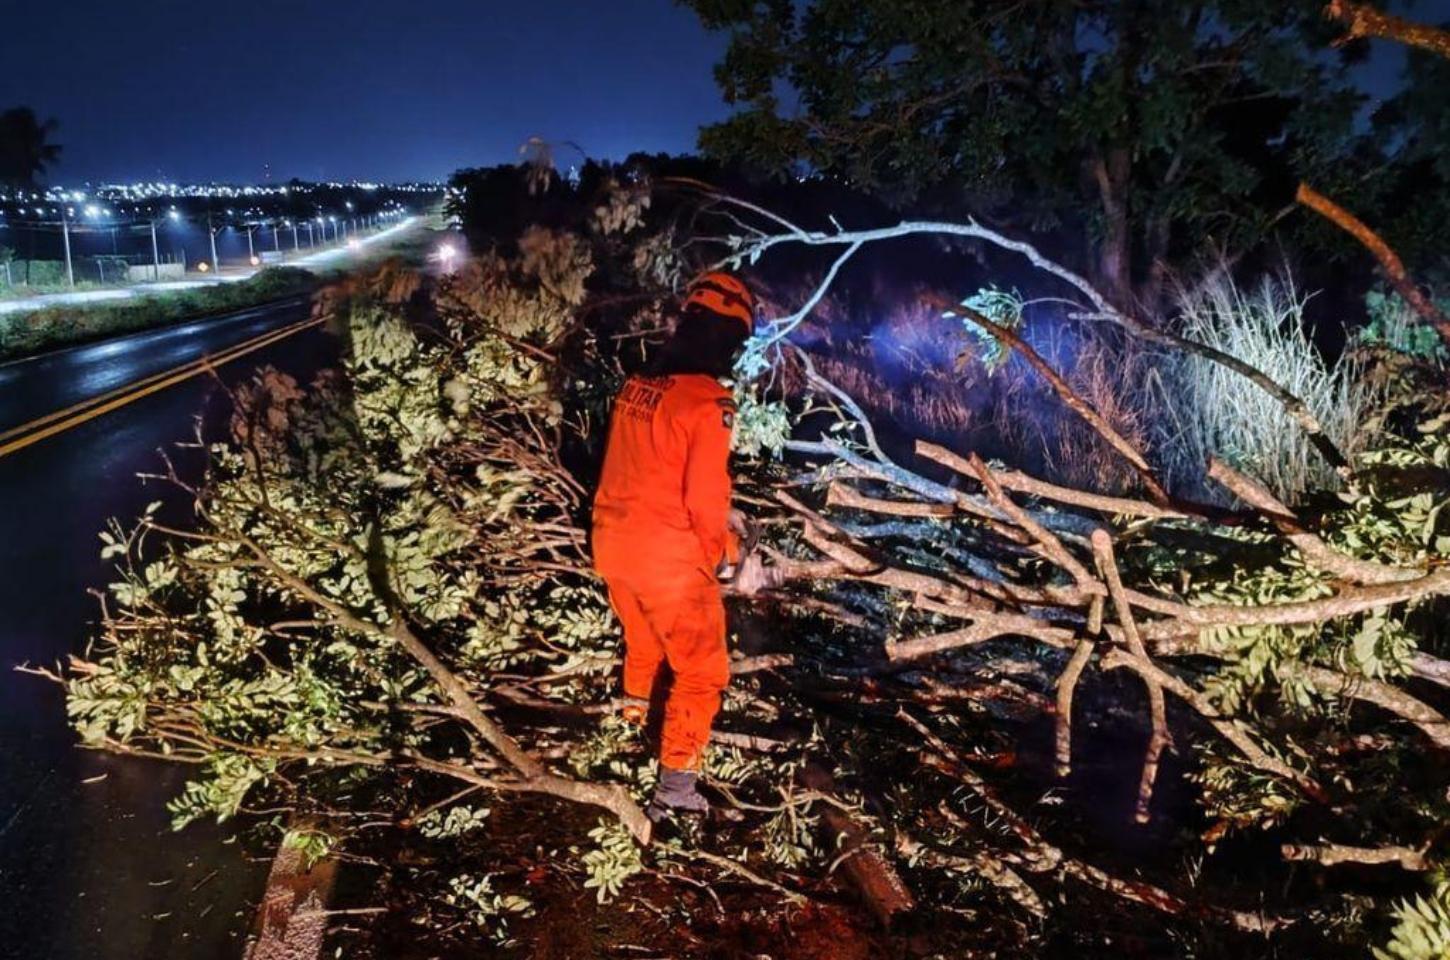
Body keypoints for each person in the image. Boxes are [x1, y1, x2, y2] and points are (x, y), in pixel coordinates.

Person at [592, 271, 772, 822]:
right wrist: (732, 555)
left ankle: (627, 726)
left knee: (643, 640)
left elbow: (642, 468)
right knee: (702, 672)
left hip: (612, 545)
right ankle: (675, 793)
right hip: (667, 560)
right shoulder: (707, 401)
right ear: (730, 336)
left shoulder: (638, 386)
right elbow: (704, 499)